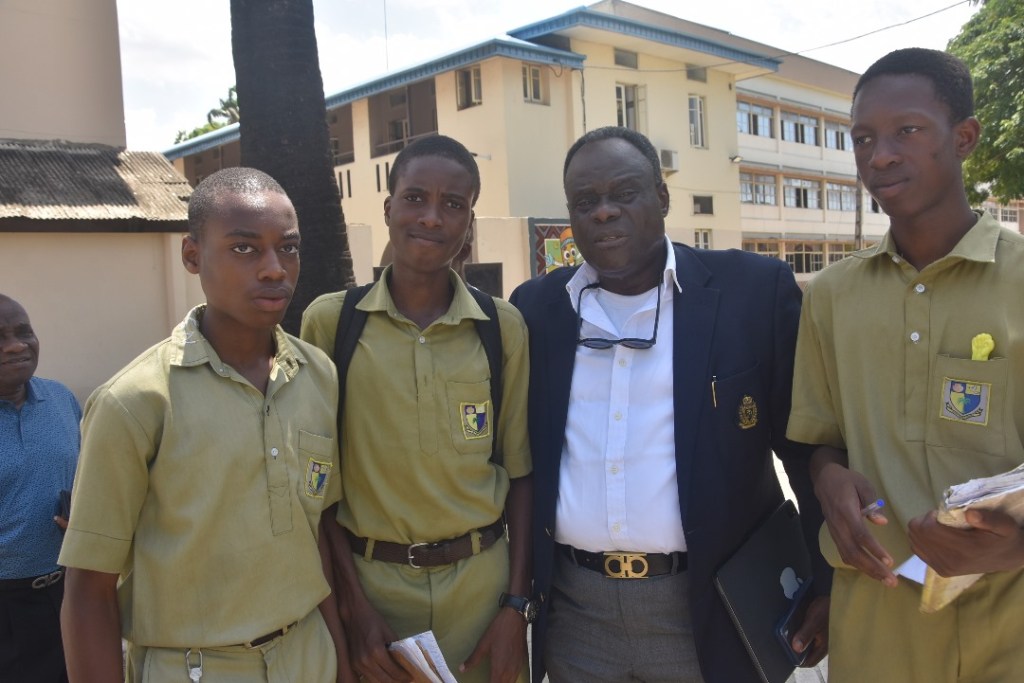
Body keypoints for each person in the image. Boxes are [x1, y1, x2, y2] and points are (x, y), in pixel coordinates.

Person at [509, 126, 830, 683]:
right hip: (576, 616)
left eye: (624, 193)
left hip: (712, 608)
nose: (604, 211)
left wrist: (826, 581)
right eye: (585, 202)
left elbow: (805, 448)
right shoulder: (537, 309)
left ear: (661, 196)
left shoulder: (753, 292)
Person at [787, 47, 1024, 683]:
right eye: (863, 138)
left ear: (964, 137)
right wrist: (827, 478)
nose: (880, 156)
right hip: (876, 622)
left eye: (907, 131)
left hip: (1009, 626)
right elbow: (820, 439)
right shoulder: (831, 296)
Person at [58, 167, 349, 682]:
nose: (274, 269)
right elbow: (88, 591)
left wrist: (340, 663)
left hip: (309, 655)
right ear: (192, 256)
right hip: (194, 665)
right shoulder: (135, 402)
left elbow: (317, 533)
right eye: (244, 248)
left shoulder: (317, 375)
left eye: (288, 248)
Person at [301, 135, 533, 683]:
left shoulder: (501, 328)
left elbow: (520, 474)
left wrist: (515, 607)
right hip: (376, 595)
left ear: (469, 222)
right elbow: (317, 490)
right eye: (414, 198)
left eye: (453, 204)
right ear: (388, 208)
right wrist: (353, 610)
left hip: (481, 595)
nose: (432, 217)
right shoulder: (331, 323)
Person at [0, 295, 81, 683]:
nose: (16, 346)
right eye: (0, 337)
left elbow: (84, 478)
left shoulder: (61, 400)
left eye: (23, 332)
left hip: (67, 593)